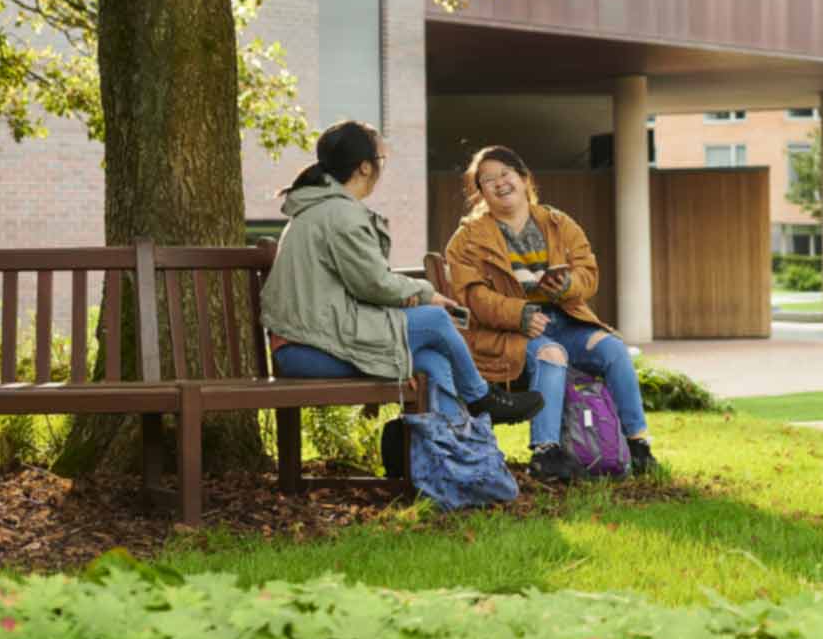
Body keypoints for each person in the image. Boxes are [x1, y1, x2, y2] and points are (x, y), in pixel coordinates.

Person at [261, 120, 543, 427]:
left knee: (430, 361)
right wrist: (426, 294)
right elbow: (374, 284)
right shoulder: (340, 214)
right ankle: (482, 398)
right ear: (365, 168)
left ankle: (454, 452)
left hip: (311, 342)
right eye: (381, 160)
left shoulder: (319, 208)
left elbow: (357, 287)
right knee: (435, 321)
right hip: (310, 350)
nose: (382, 169)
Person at [444, 146, 657, 480]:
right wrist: (519, 314)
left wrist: (568, 285)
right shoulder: (467, 238)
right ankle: (546, 454)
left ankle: (638, 444)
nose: (499, 183)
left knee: (614, 350)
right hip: (508, 332)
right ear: (480, 191)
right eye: (488, 180)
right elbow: (471, 296)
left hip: (565, 321)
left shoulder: (559, 224)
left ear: (524, 178)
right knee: (551, 354)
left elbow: (588, 272)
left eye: (505, 174)